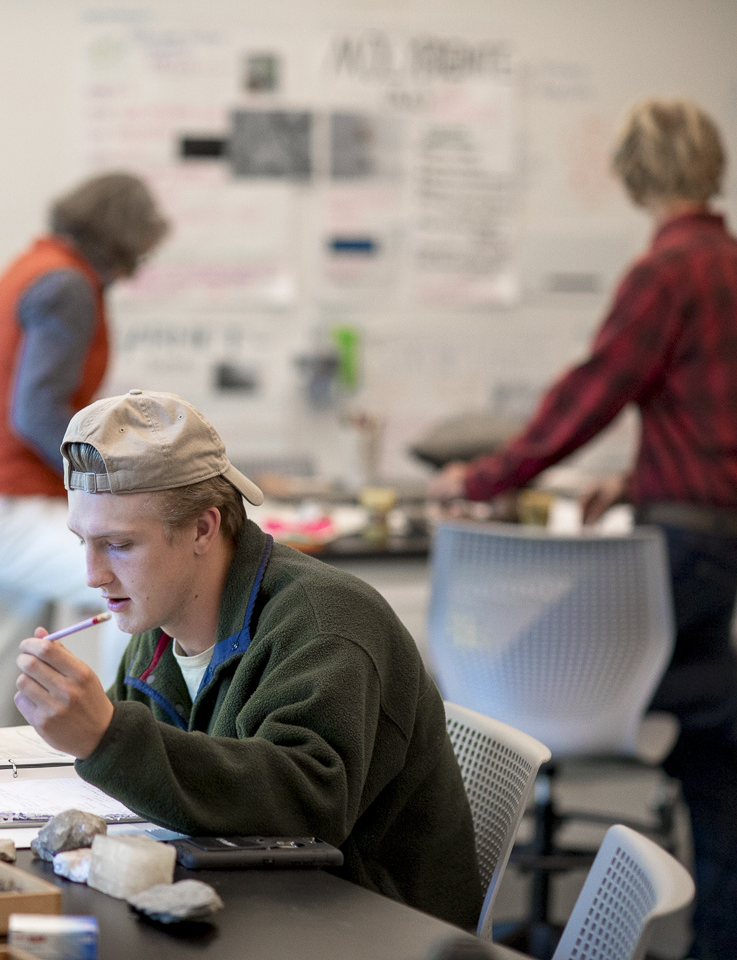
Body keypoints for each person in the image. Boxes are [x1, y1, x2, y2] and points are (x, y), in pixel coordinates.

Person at [427, 97, 737, 960]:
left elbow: (591, 393)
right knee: (716, 746)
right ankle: (717, 940)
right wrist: (634, 479)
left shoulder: (665, 270)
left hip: (678, 547)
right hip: (719, 546)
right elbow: (714, 428)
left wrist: (482, 478)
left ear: (638, 175)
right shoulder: (729, 264)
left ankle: (445, 914)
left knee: (489, 670)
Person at [13, 389, 483, 928]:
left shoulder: (327, 624)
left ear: (203, 528)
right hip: (255, 908)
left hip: (370, 929)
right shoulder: (158, 621)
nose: (93, 575)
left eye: (118, 545)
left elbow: (307, 809)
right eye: (84, 543)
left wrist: (106, 737)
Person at [0, 172, 168, 729]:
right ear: (126, 238)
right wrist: (120, 480)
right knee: (144, 583)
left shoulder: (28, 270)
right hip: (8, 505)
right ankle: (135, 743)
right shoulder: (66, 285)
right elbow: (38, 413)